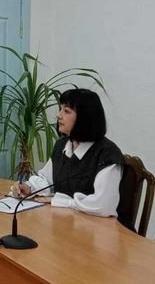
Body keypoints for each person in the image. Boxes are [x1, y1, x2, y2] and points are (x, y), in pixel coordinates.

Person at [10, 88, 123, 217]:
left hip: (98, 226)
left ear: (85, 118)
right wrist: (29, 188)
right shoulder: (62, 145)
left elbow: (103, 205)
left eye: (67, 111)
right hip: (66, 220)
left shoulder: (107, 154)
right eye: (61, 109)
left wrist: (63, 202)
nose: (58, 115)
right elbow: (47, 180)